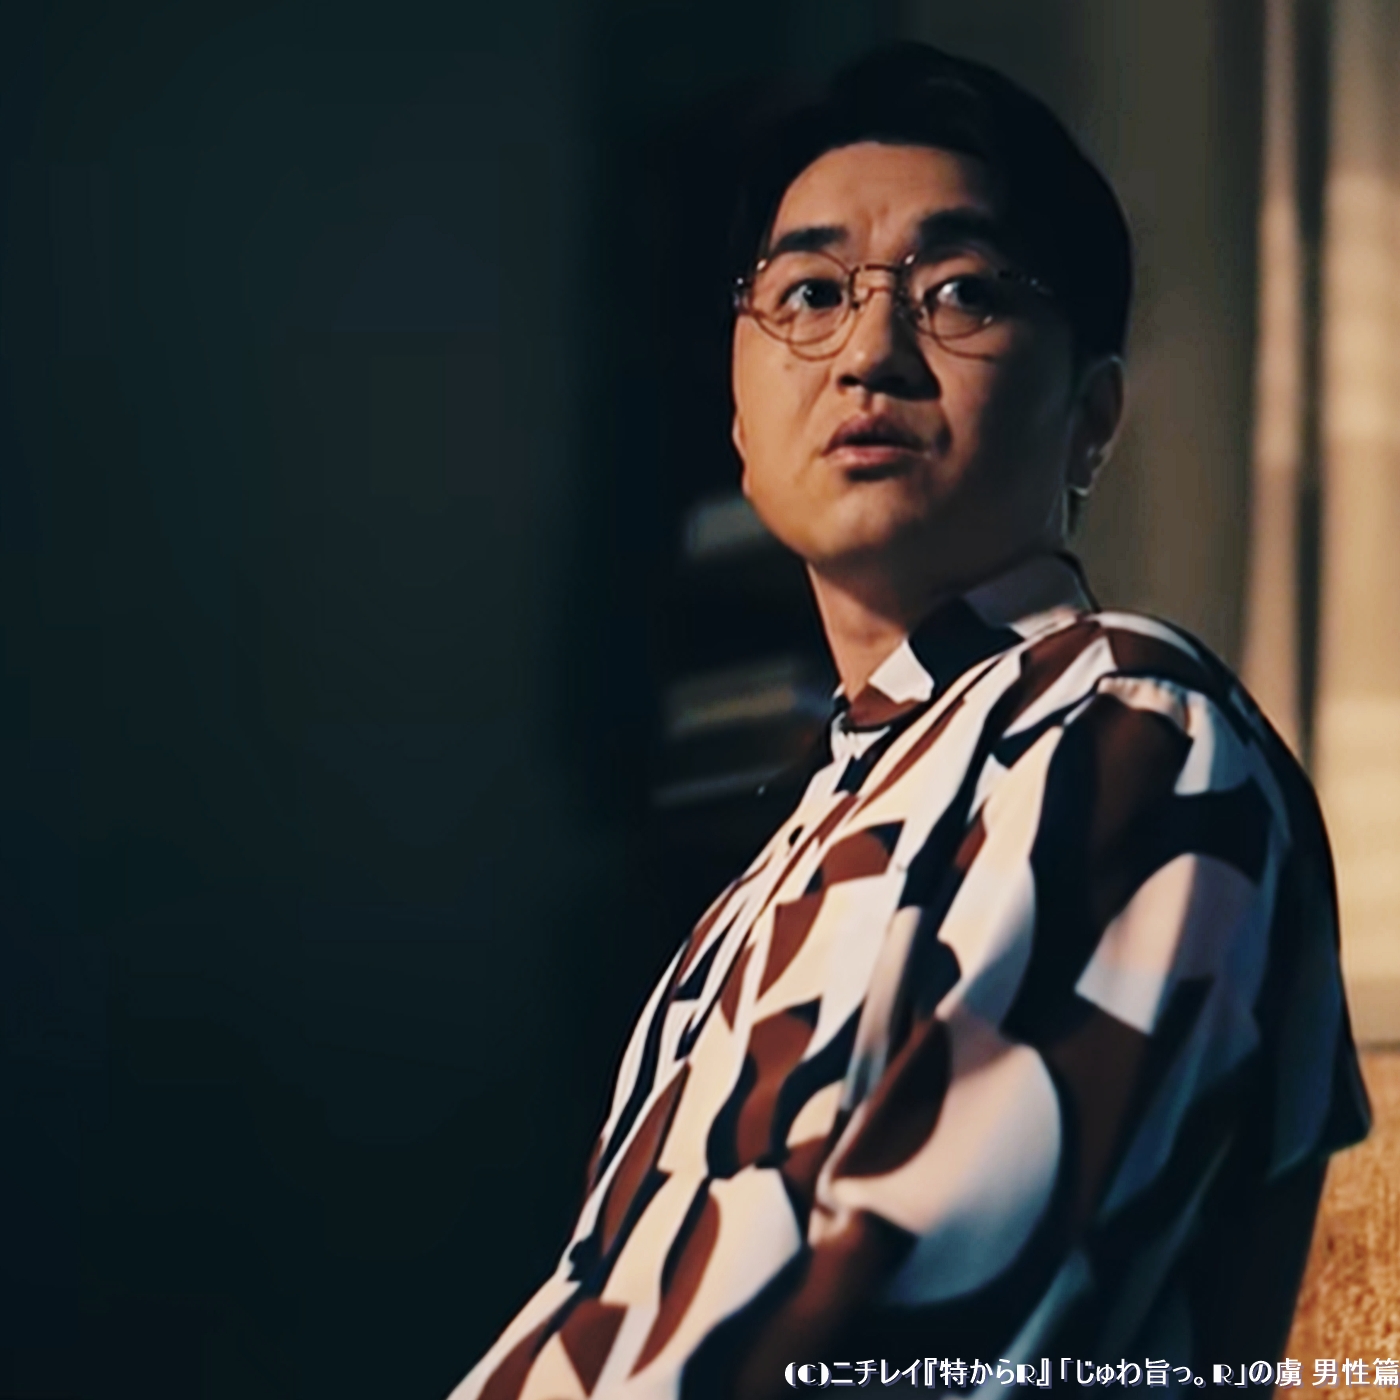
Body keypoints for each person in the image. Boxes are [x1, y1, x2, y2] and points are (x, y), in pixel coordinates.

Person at [450, 43, 1369, 1399]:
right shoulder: (765, 880)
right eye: (811, 295)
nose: (871, 354)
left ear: (1092, 418)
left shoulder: (1126, 725)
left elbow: (911, 1335)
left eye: (962, 293)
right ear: (740, 415)